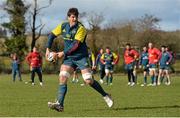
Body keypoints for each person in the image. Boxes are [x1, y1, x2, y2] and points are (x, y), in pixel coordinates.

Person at [46, 8, 113, 112]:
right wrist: (47, 49)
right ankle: (60, 104)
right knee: (62, 77)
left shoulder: (81, 28)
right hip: (69, 58)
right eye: (72, 17)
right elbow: (51, 35)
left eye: (76, 16)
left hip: (81, 56)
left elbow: (75, 45)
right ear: (68, 17)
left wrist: (62, 53)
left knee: (88, 80)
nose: (74, 18)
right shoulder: (63, 26)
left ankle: (106, 95)